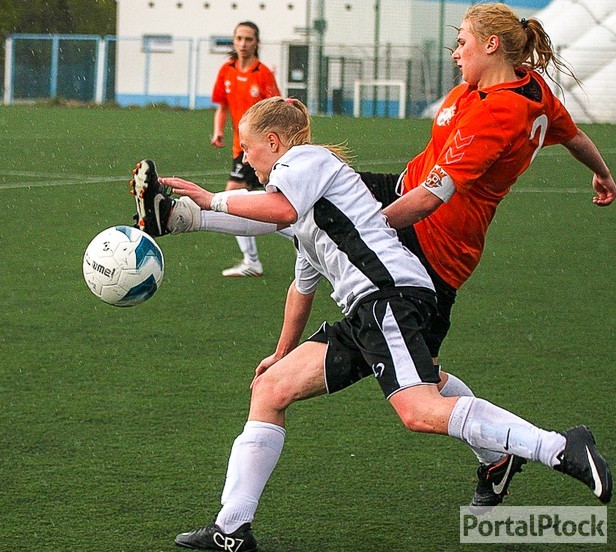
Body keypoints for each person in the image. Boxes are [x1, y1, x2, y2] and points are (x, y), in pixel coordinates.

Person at [129, 3, 615, 513]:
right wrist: (602, 172)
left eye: (462, 42)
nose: (454, 53)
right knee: (356, 367)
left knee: (416, 392)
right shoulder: (523, 87)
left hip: (432, 242)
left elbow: (428, 199)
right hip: (404, 210)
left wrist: (357, 229)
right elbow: (574, 135)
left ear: (491, 45)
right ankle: (497, 455)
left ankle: (547, 447)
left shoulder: (500, 113)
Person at [134, 21, 282, 277]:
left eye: (248, 39)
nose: (243, 44)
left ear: (256, 42)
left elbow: (276, 109)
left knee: (237, 198)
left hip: (261, 151)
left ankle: (253, 260)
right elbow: (222, 106)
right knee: (274, 203)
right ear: (234, 41)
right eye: (239, 38)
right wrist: (218, 130)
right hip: (241, 148)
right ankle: (270, 253)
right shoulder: (227, 71)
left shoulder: (263, 74)